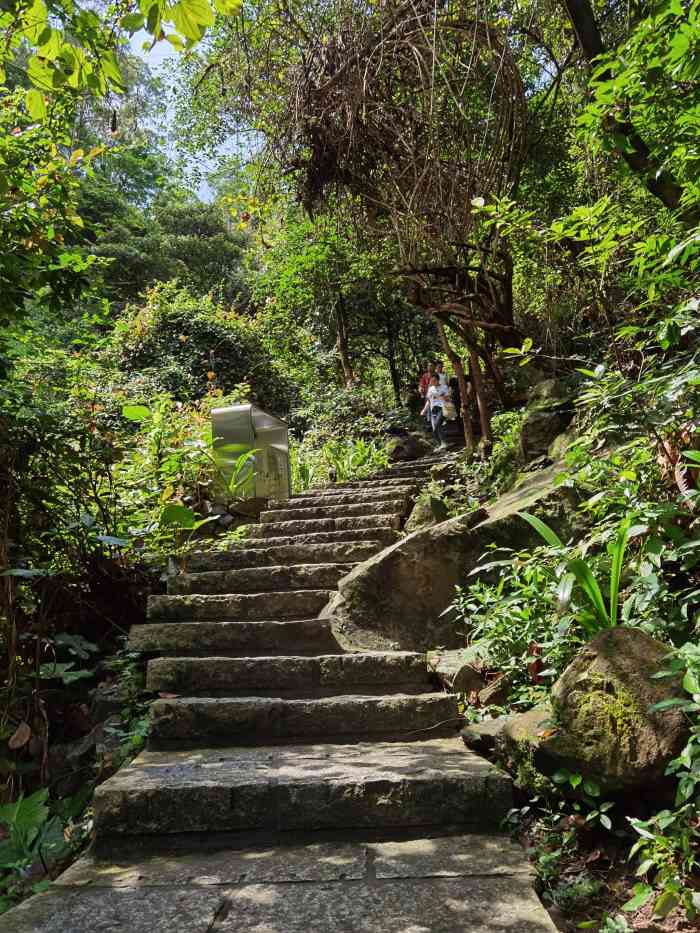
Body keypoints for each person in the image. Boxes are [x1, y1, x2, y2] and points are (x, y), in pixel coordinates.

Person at [421, 373, 449, 449]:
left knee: (437, 424)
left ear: (438, 380)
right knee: (434, 428)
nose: (433, 382)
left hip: (442, 407)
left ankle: (444, 443)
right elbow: (429, 401)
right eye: (432, 381)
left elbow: (447, 398)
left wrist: (439, 396)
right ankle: (440, 445)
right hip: (433, 409)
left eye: (434, 380)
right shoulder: (430, 389)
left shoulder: (444, 387)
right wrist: (424, 410)